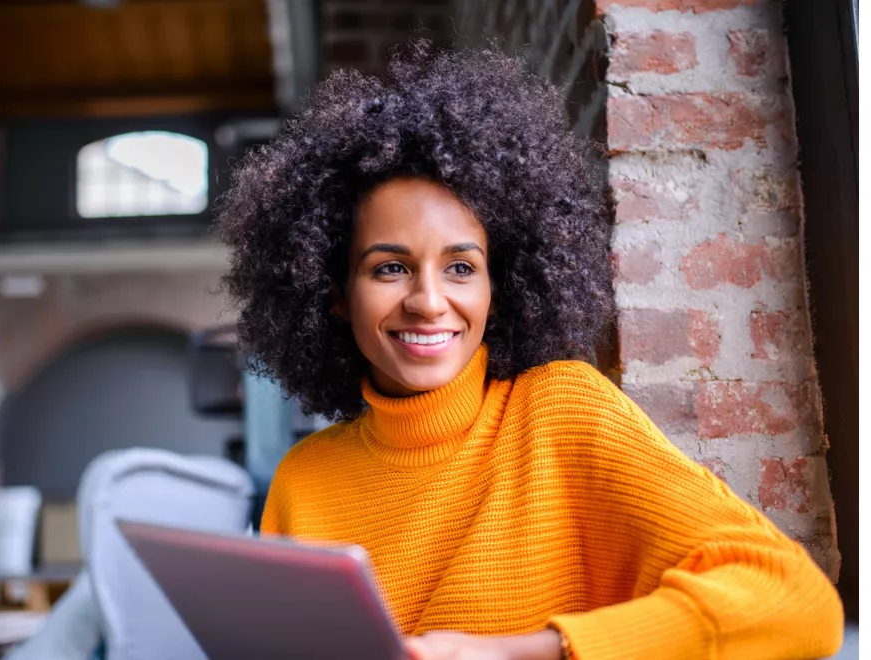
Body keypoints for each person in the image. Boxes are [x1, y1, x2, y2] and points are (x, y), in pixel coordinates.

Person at [216, 42, 843, 660]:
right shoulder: (304, 480)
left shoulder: (559, 411)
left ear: (500, 284)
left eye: (461, 267)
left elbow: (794, 600)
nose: (429, 302)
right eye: (389, 270)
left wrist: (529, 652)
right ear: (333, 295)